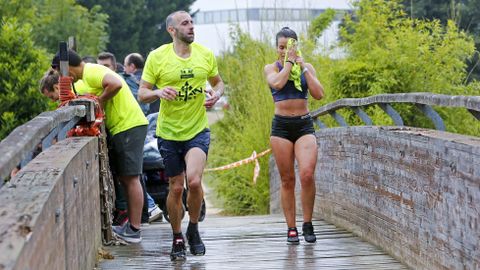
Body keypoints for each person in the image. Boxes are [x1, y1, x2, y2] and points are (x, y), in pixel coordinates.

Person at [138, 10, 224, 261]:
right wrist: (159, 92)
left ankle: (194, 228)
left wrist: (216, 94)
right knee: (175, 187)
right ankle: (177, 236)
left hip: (197, 129)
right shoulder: (158, 57)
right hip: (168, 132)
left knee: (194, 182)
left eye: (191, 23)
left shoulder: (205, 55)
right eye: (184, 23)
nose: (191, 27)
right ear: (172, 30)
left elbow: (218, 83)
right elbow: (142, 93)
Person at [51, 50, 148, 243]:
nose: (60, 77)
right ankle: (130, 225)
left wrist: (100, 102)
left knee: (131, 178)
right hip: (120, 127)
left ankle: (135, 229)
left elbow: (116, 84)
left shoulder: (92, 71)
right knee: (125, 178)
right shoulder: (80, 81)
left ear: (67, 66)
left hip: (128, 124)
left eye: (59, 72)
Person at [264, 27, 324, 245]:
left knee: (307, 174)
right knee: (287, 179)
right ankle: (291, 228)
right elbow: (278, 83)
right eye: (281, 47)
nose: (284, 51)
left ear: (296, 46)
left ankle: (307, 223)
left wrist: (303, 67)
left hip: (303, 124)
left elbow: (318, 94)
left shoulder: (306, 67)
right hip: (281, 127)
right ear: (277, 48)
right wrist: (289, 63)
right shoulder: (271, 68)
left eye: (288, 47)